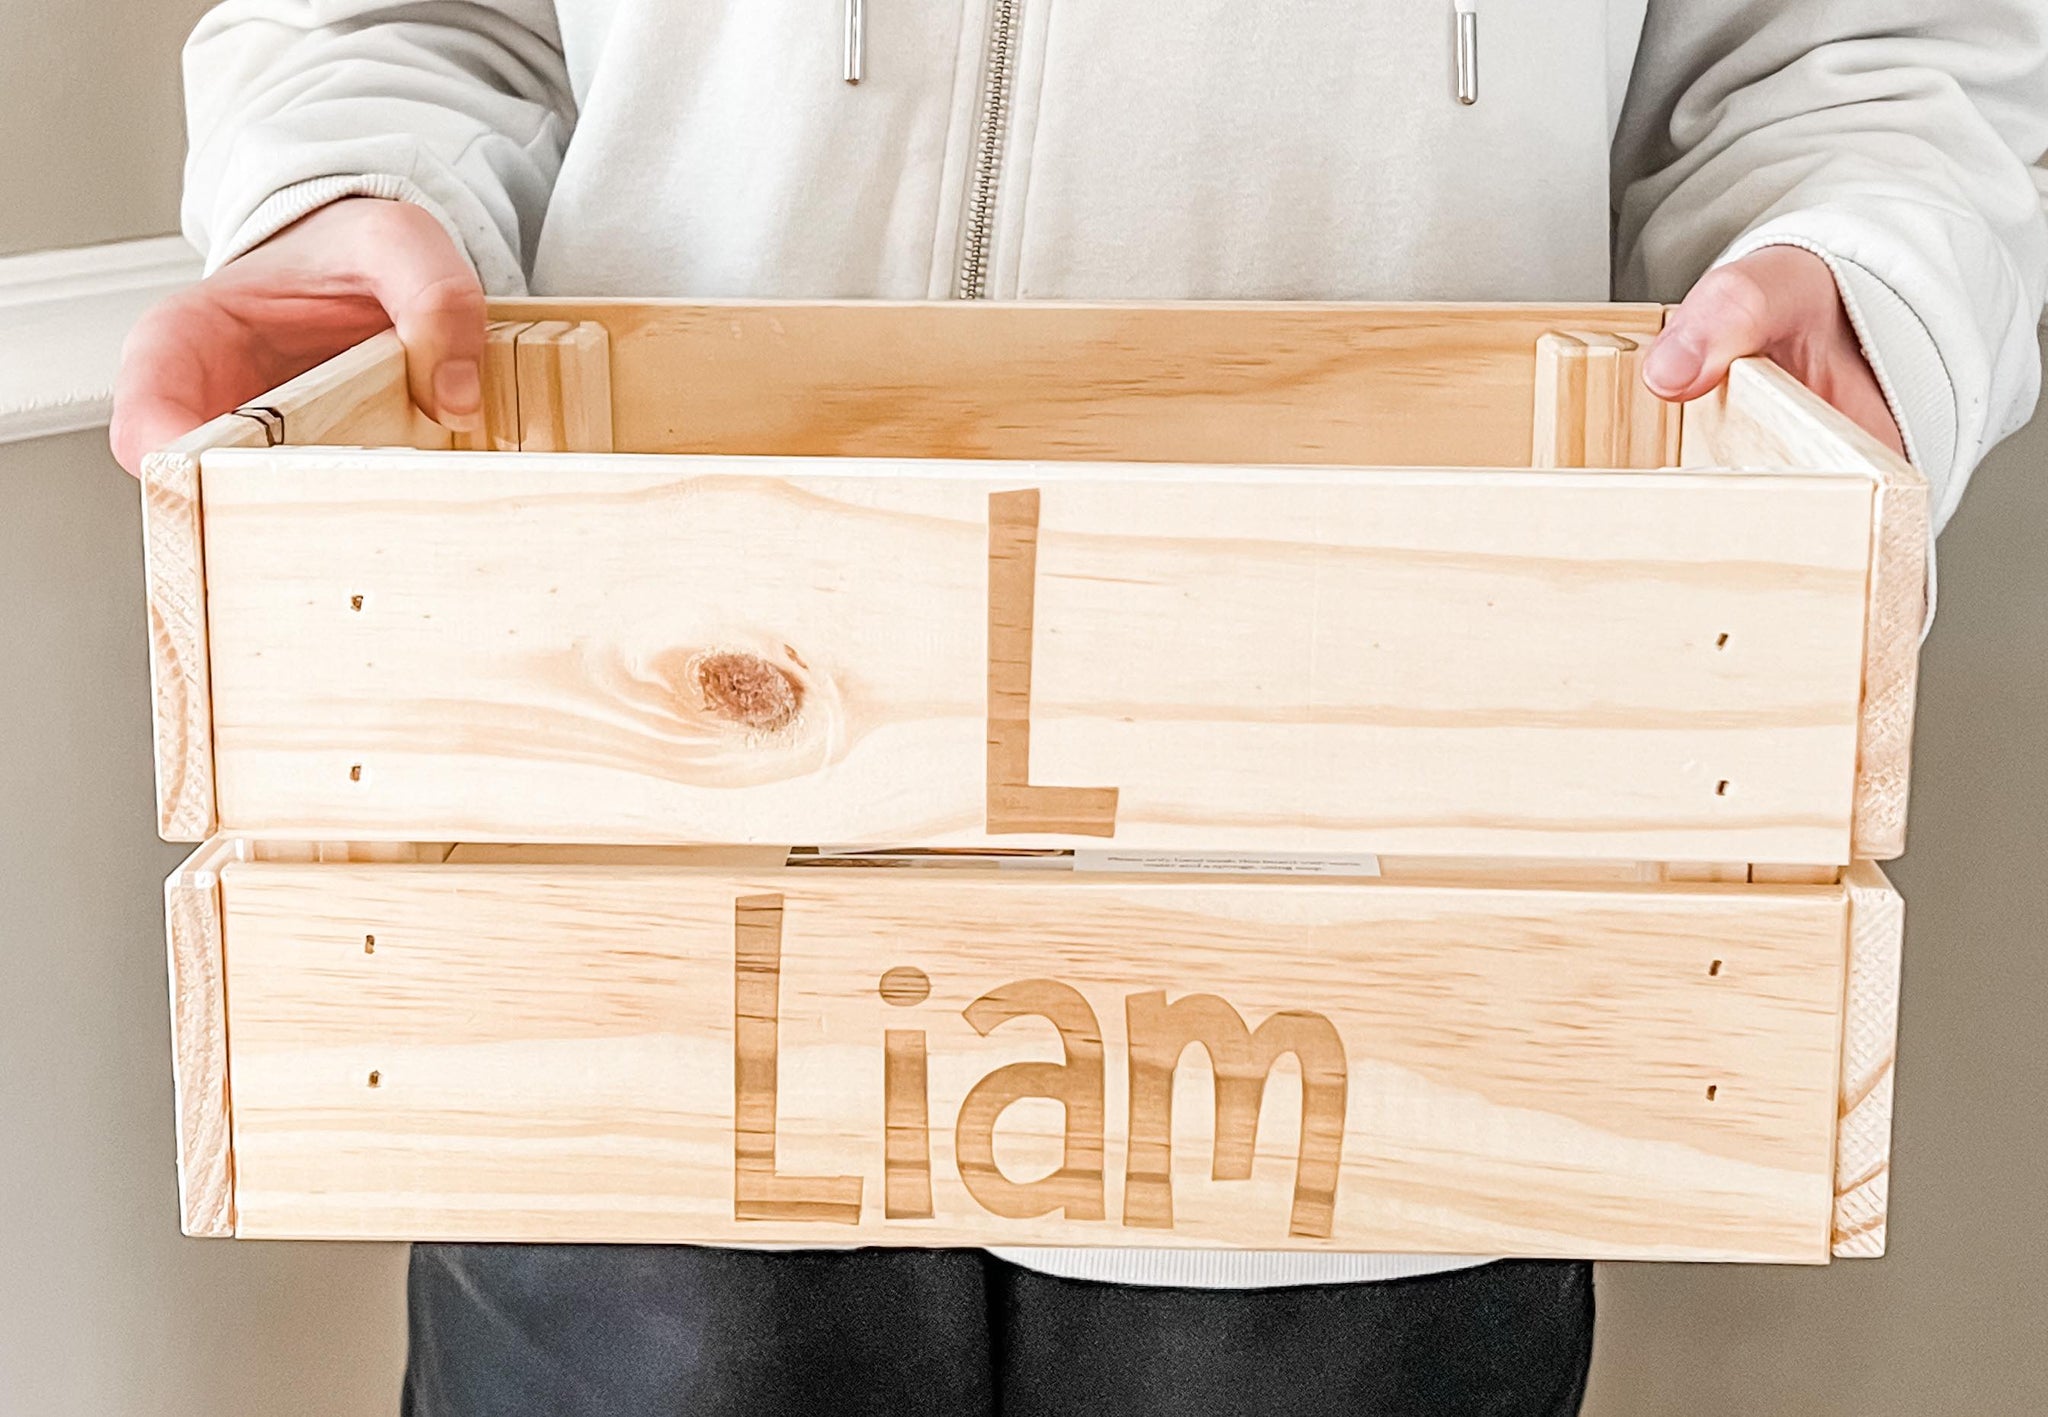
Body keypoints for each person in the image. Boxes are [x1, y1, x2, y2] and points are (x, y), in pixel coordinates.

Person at [113, 3, 2048, 1413]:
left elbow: (1871, 53)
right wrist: (337, 189)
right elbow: (411, 21)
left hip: (1369, 1003)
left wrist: (1872, 291)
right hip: (619, 958)